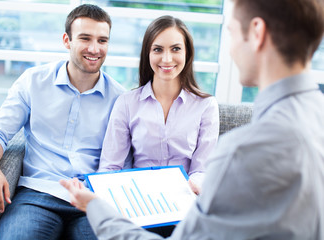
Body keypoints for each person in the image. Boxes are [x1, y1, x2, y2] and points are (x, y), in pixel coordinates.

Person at [60, 0, 324, 239]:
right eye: (158, 49)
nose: (229, 50)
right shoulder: (315, 117)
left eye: (230, 33)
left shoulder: (241, 150)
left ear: (256, 33)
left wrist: (95, 207)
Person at [0, 4, 125, 240]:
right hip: (37, 195)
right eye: (85, 38)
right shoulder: (33, 81)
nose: (94, 48)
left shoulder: (120, 99)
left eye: (102, 40)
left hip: (92, 201)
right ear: (67, 40)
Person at [98, 15, 219, 195]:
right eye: (158, 49)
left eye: (176, 49)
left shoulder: (206, 106)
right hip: (139, 197)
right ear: (148, 54)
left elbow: (201, 171)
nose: (167, 59)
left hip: (185, 198)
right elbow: (110, 167)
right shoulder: (127, 103)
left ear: (187, 53)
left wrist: (190, 190)